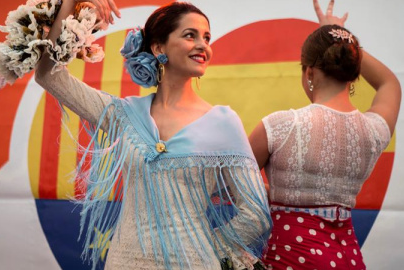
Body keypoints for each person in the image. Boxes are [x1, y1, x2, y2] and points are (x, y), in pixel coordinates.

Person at [33, 1, 271, 270]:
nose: (203, 45)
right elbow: (48, 74)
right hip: (124, 262)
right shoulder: (125, 114)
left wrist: (204, 251)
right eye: (190, 35)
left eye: (207, 37)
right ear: (159, 48)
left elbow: (255, 213)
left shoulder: (223, 122)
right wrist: (70, 2)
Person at [248, 0, 401, 269]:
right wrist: (343, 41)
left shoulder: (281, 125)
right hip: (348, 259)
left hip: (289, 258)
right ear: (354, 71)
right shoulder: (374, 131)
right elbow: (389, 83)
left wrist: (277, 193)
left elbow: (234, 185)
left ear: (308, 72)